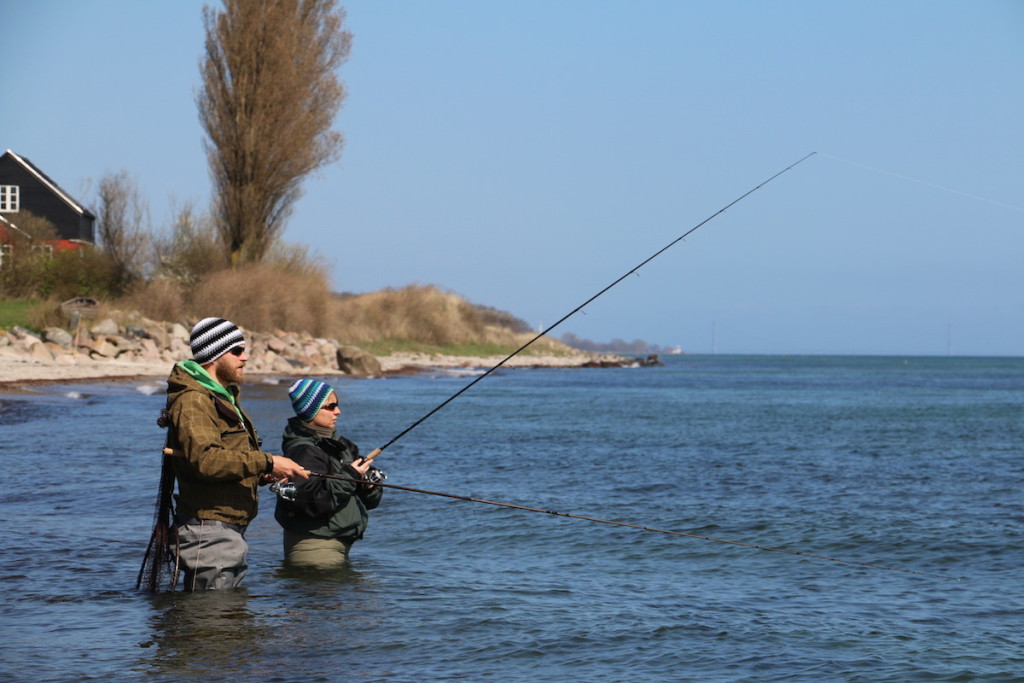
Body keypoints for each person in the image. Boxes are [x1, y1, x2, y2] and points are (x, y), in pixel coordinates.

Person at [163, 317, 309, 591]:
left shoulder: (221, 397)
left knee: (226, 628)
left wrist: (263, 472)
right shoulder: (194, 400)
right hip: (208, 535)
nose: (246, 357)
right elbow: (205, 460)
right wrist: (268, 460)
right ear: (216, 355)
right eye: (238, 351)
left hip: (224, 533)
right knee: (214, 629)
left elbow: (225, 457)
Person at [274, 379, 384, 567]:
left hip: (337, 542)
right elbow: (309, 502)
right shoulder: (303, 450)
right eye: (330, 406)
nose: (338, 412)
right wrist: (349, 477)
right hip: (315, 547)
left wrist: (369, 485)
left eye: (337, 405)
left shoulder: (342, 445)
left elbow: (371, 501)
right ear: (311, 411)